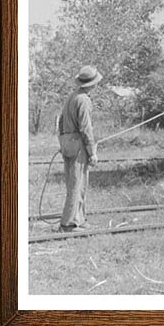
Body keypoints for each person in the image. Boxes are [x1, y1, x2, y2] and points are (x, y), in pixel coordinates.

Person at [57, 65, 101, 231]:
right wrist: (92, 152)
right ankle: (68, 224)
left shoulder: (72, 96)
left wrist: (63, 141)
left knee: (75, 183)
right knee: (77, 184)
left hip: (68, 142)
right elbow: (85, 128)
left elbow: (61, 122)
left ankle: (79, 219)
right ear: (92, 84)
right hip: (78, 145)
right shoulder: (83, 99)